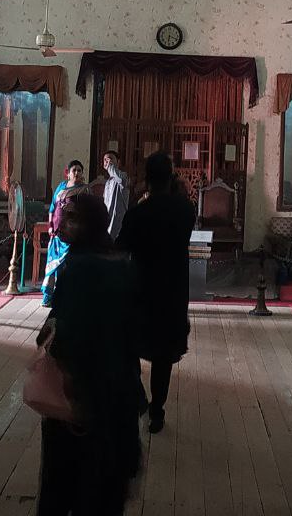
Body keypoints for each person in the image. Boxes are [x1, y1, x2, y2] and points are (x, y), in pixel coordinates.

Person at [35, 188, 145, 515]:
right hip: (119, 391)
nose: (63, 224)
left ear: (91, 223)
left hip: (80, 396)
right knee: (107, 488)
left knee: (65, 485)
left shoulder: (78, 267)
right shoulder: (123, 263)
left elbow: (65, 332)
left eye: (73, 218)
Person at [116, 151, 196, 434]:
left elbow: (121, 247)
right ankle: (157, 411)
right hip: (173, 292)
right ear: (171, 177)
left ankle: (139, 398)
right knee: (164, 356)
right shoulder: (186, 210)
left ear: (147, 179)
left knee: (129, 347)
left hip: (141, 290)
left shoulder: (138, 213)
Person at [43, 160, 85, 306]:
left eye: (79, 170)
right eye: (74, 170)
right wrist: (50, 226)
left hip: (72, 235)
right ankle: (47, 297)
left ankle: (65, 297)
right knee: (52, 266)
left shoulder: (84, 190)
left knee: (68, 267)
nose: (77, 173)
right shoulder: (61, 187)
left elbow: (88, 212)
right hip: (57, 234)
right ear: (68, 173)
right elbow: (52, 208)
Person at [101, 150, 130, 240]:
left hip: (118, 221)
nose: (107, 161)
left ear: (118, 162)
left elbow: (120, 179)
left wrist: (111, 166)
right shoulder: (108, 182)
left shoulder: (123, 176)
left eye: (110, 159)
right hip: (107, 220)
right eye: (105, 160)